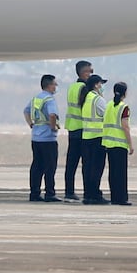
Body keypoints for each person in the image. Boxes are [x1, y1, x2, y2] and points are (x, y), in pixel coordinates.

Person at [24, 74, 60, 202]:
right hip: (48, 139)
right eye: (55, 84)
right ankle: (50, 193)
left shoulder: (36, 98)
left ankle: (34, 193)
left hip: (36, 137)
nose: (56, 86)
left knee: (37, 166)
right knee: (50, 166)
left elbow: (26, 111)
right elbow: (52, 115)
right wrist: (53, 127)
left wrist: (30, 124)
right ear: (49, 85)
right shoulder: (49, 99)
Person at [63, 59, 94, 200]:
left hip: (72, 128)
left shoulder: (72, 87)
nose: (92, 74)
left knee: (71, 163)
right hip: (82, 129)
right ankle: (88, 191)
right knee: (86, 163)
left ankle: (69, 191)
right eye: (90, 71)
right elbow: (86, 108)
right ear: (84, 73)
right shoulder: (84, 89)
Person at [103, 81, 134, 206]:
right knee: (121, 173)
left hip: (109, 143)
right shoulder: (124, 107)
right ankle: (121, 198)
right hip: (120, 144)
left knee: (113, 172)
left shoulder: (109, 105)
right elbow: (125, 127)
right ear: (124, 93)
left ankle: (114, 197)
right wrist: (130, 144)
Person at [80, 74, 109, 204]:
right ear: (96, 84)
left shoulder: (86, 98)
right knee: (97, 168)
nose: (102, 87)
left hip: (86, 137)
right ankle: (95, 195)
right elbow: (108, 115)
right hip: (98, 138)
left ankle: (88, 194)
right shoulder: (97, 99)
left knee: (87, 168)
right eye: (101, 84)